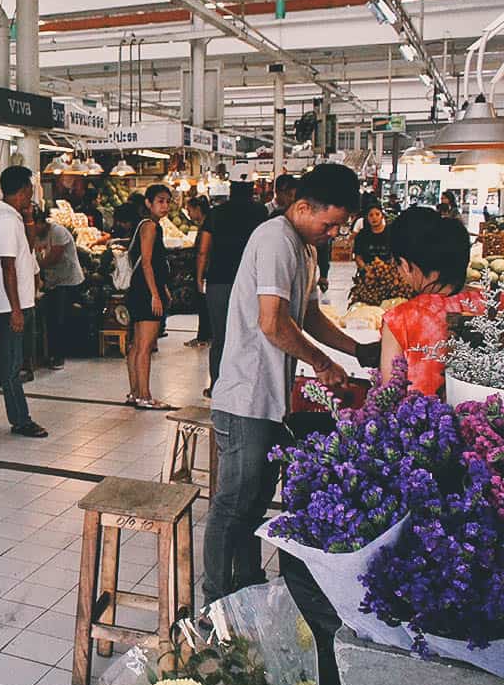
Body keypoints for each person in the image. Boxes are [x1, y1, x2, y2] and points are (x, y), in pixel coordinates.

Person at [204, 163, 376, 604]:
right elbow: (273, 323)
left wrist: (357, 351)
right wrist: (321, 363)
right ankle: (217, 602)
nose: (335, 233)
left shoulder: (305, 248)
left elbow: (310, 315)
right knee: (234, 503)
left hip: (271, 398)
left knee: (255, 503)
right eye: (331, 223)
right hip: (246, 395)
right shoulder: (275, 239)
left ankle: (244, 590)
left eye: (341, 226)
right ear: (302, 207)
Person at [0, 167, 48, 438]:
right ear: (24, 190)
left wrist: (28, 219)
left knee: (11, 360)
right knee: (13, 366)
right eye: (30, 191)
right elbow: (7, 266)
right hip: (12, 304)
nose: (31, 197)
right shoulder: (4, 220)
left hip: (22, 301)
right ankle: (20, 420)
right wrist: (15, 309)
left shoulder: (13, 217)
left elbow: (27, 249)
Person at [380, 207, 483, 396]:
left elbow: (389, 395)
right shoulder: (496, 304)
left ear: (405, 264)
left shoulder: (401, 319)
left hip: (424, 424)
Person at [198, 182, 267, 395]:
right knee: (249, 334)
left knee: (220, 336)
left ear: (231, 188)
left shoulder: (216, 213)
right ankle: (246, 384)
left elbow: (203, 249)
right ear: (251, 188)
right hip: (251, 282)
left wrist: (200, 277)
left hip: (219, 281)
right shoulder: (260, 211)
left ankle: (217, 385)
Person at [125, 184, 173, 410]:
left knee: (136, 345)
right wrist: (155, 294)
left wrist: (162, 289)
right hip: (145, 291)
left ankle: (135, 393)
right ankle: (145, 395)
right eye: (160, 201)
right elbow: (146, 262)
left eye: (167, 201)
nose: (165, 206)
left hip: (140, 289)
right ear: (148, 203)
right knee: (145, 346)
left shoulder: (144, 225)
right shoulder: (151, 227)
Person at [34, 208, 85, 370]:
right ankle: (50, 354)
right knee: (51, 318)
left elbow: (54, 257)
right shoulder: (35, 235)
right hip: (52, 281)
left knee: (59, 318)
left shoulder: (58, 232)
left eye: (35, 224)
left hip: (67, 280)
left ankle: (59, 356)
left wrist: (34, 266)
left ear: (42, 222)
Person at [186, 196, 212, 349]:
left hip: (205, 270)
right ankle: (203, 335)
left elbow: (203, 253)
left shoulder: (206, 227)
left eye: (190, 210)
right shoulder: (205, 225)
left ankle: (204, 336)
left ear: (197, 209)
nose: (189, 214)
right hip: (205, 269)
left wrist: (199, 275)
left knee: (204, 304)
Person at [353, 205, 391, 272]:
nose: (374, 217)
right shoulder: (361, 235)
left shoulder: (391, 233)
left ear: (382, 216)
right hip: (368, 275)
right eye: (371, 215)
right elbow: (358, 257)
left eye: (377, 214)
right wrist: (366, 269)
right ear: (367, 218)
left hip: (389, 274)